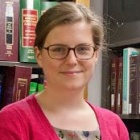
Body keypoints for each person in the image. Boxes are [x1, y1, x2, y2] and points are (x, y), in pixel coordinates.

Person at [0, 2, 129, 140]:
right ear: (39, 55)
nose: (72, 60)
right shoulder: (11, 122)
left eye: (83, 49)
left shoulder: (115, 126)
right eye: (58, 49)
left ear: (96, 54)